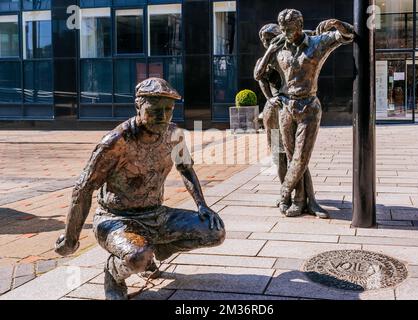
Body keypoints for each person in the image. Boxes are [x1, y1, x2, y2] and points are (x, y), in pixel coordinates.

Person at [54, 78, 225, 300]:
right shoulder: (116, 142)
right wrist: (70, 239)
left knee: (214, 232)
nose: (162, 117)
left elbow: (186, 169)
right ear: (138, 107)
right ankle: (114, 274)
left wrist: (202, 205)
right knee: (137, 256)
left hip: (156, 214)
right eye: (154, 110)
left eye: (168, 110)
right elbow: (83, 188)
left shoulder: (174, 135)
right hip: (115, 219)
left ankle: (159, 249)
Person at [255, 9, 354, 218]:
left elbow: (348, 35)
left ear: (299, 26)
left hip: (306, 106)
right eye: (282, 30)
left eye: (288, 30)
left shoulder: (315, 43)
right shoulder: (278, 50)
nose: (285, 34)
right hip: (281, 110)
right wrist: (270, 50)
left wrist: (335, 23)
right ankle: (301, 200)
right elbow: (259, 74)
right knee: (285, 158)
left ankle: (287, 195)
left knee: (300, 158)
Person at [255, 23, 324, 211]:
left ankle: (305, 198)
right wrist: (271, 98)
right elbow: (259, 78)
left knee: (298, 156)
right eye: (264, 40)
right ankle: (286, 196)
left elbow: (307, 37)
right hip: (273, 112)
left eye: (270, 38)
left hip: (290, 110)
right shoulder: (265, 59)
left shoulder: (287, 56)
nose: (267, 42)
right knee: (279, 157)